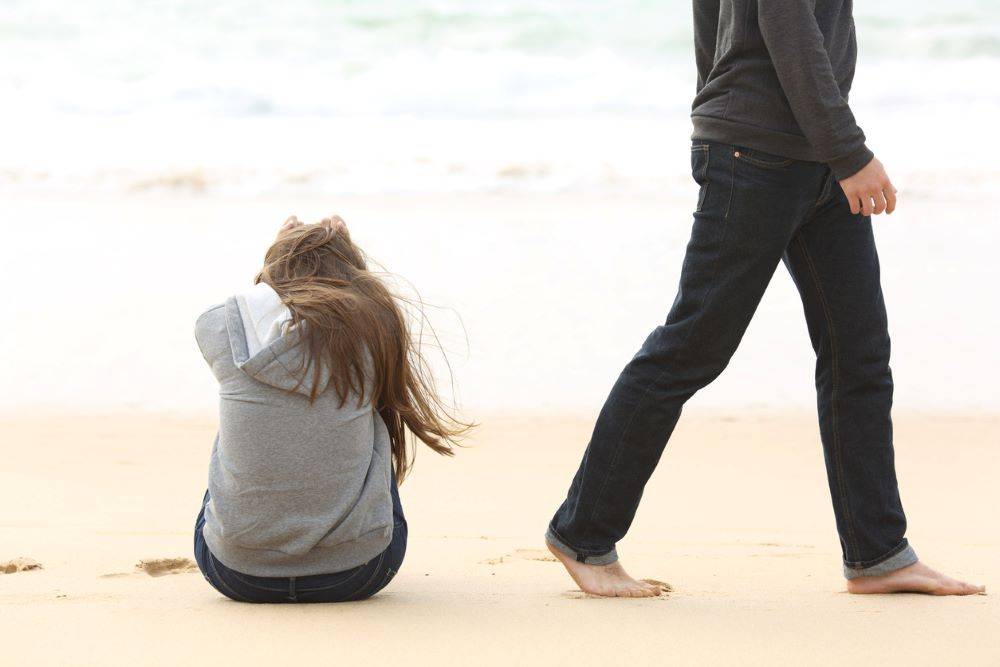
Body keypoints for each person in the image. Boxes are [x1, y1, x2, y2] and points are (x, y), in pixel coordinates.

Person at [544, 0, 985, 597]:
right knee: (692, 346)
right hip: (765, 156)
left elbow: (717, 26)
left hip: (810, 155)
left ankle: (878, 552)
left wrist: (732, 112)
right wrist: (842, 150)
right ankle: (583, 534)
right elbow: (787, 27)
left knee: (858, 352)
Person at [192, 216, 468, 602]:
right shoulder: (374, 328)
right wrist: (342, 255)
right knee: (372, 420)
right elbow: (366, 303)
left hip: (236, 574)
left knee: (242, 427)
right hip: (358, 573)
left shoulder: (218, 328)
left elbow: (248, 312)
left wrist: (280, 254)